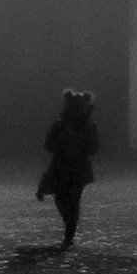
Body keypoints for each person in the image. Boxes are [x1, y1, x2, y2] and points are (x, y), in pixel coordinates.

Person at [35, 89, 100, 249]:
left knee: (71, 200)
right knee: (63, 200)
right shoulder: (61, 125)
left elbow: (93, 148)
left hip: (73, 167)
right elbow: (49, 145)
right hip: (66, 166)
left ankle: (69, 231)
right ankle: (69, 227)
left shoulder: (87, 126)